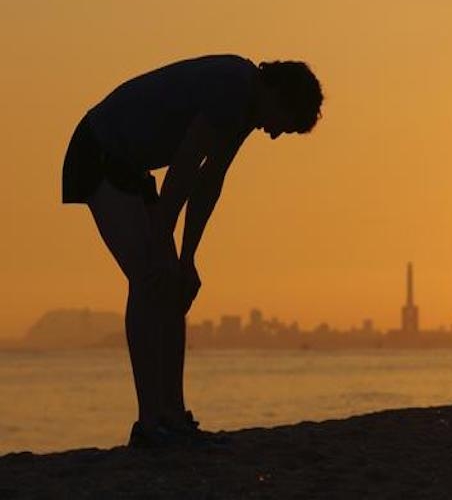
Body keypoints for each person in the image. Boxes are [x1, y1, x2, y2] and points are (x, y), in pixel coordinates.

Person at [61, 55, 323, 447]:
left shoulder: (247, 111)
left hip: (132, 168)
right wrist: (162, 239)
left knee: (173, 283)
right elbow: (184, 167)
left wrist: (187, 258)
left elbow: (209, 183)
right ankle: (149, 422)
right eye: (283, 126)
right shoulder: (233, 88)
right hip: (98, 152)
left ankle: (172, 414)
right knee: (149, 279)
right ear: (278, 95)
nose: (274, 135)